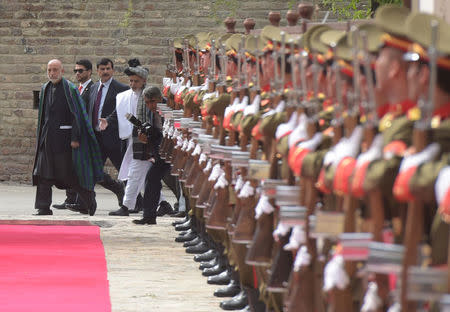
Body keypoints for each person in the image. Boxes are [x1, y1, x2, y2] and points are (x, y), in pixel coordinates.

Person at [32, 59, 103, 216]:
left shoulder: (70, 89)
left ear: (62, 71)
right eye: (49, 70)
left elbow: (77, 116)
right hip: (47, 140)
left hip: (65, 141)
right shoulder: (45, 88)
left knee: (69, 176)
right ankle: (43, 207)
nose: (52, 73)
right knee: (43, 174)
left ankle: (88, 200)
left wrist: (75, 138)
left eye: (55, 70)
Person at [69, 58, 129, 215]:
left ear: (113, 70)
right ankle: (84, 203)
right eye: (102, 69)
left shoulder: (121, 89)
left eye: (108, 68)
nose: (105, 72)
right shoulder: (94, 88)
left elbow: (123, 111)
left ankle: (133, 202)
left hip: (114, 138)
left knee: (125, 171)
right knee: (90, 170)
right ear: (97, 71)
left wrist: (109, 121)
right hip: (96, 138)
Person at [99, 58, 150, 216]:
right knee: (134, 174)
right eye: (131, 81)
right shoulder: (126, 95)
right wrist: (107, 120)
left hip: (146, 141)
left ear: (143, 81)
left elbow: (151, 118)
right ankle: (131, 206)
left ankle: (128, 207)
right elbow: (119, 113)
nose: (133, 84)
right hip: (130, 139)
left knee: (142, 175)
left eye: (136, 81)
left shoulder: (149, 96)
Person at [53, 59, 94, 210]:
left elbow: (83, 115)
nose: (77, 73)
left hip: (85, 135)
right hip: (74, 134)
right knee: (71, 167)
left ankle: (118, 191)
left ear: (89, 71)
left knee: (92, 171)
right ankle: (71, 199)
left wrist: (78, 136)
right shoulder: (78, 88)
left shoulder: (93, 89)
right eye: (75, 71)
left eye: (81, 70)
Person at [133, 86, 167, 225]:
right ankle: (149, 216)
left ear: (160, 99)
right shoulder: (152, 111)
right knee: (152, 179)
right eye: (147, 102)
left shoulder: (169, 107)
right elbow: (157, 134)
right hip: (161, 151)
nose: (150, 105)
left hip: (173, 150)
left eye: (152, 101)